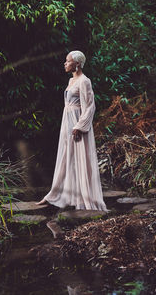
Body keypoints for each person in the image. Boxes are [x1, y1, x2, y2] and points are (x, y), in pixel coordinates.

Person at [36, 50, 107, 210]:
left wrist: (79, 126)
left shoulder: (84, 81)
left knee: (80, 157)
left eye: (68, 61)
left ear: (77, 64)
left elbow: (89, 106)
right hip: (66, 122)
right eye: (66, 61)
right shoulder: (71, 81)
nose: (65, 63)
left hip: (76, 124)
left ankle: (85, 198)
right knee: (66, 157)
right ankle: (55, 195)